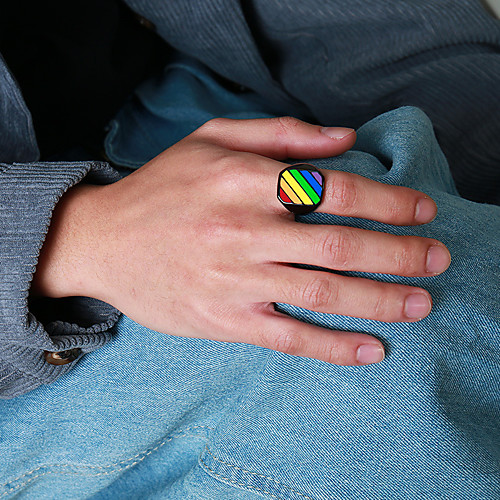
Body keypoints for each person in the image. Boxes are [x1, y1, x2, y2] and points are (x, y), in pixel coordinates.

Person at [0, 0, 498, 498]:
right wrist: (80, 237)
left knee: (370, 212)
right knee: (378, 308)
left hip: (169, 93)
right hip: (30, 306)